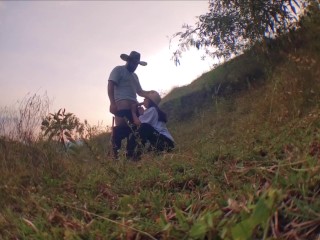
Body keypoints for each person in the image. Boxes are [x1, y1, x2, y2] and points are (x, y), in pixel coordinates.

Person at [108, 51, 151, 159]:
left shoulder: (135, 76)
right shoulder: (118, 70)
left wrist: (150, 93)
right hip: (122, 107)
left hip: (134, 108)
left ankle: (131, 155)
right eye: (133, 63)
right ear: (128, 61)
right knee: (121, 130)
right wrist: (112, 103)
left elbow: (140, 92)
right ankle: (116, 155)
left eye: (137, 64)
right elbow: (110, 84)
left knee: (138, 130)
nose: (135, 65)